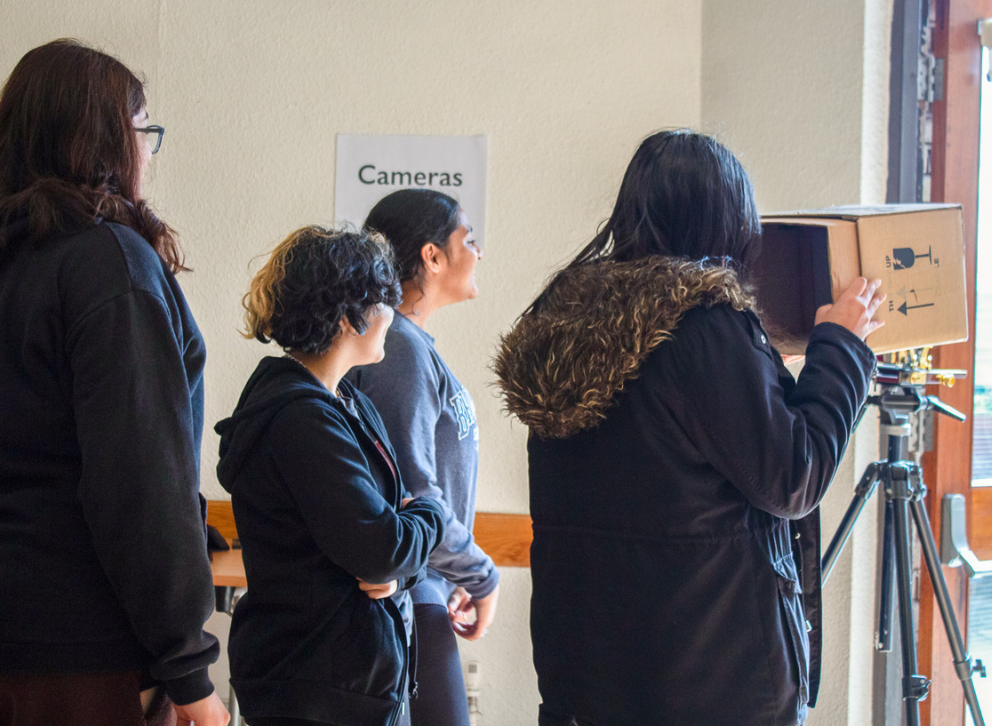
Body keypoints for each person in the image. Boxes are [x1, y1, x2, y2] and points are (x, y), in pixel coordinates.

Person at [494, 129, 887, 726]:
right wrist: (843, 347)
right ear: (727, 220)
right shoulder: (702, 325)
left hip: (588, 680)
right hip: (713, 680)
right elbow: (792, 477)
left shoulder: (565, 321)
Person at [0, 40, 228, 726]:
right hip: (77, 649)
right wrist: (190, 671)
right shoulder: (106, 264)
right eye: (145, 132)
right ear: (108, 141)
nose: (149, 153)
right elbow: (141, 478)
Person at [217, 226, 446, 726]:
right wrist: (434, 512)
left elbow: (387, 548)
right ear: (349, 316)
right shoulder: (301, 418)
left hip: (348, 682)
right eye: (385, 302)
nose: (393, 315)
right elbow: (383, 543)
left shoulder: (348, 402)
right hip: (317, 689)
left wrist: (401, 567)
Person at [348, 189, 499, 726]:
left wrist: (460, 571)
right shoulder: (401, 351)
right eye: (469, 240)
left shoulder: (412, 346)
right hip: (405, 598)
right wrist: (482, 575)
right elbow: (413, 491)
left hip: (425, 590)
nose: (479, 253)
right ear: (432, 257)